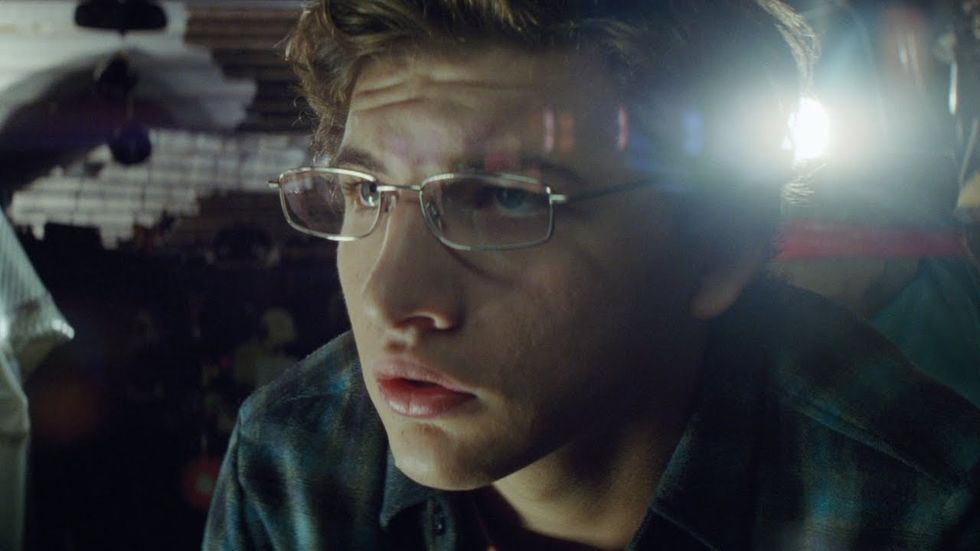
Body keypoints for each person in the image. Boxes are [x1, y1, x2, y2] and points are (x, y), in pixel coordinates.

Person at [203, 1, 980, 549]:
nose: (388, 299)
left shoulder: (919, 513)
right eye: (367, 192)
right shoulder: (293, 459)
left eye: (504, 199)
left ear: (719, 249)